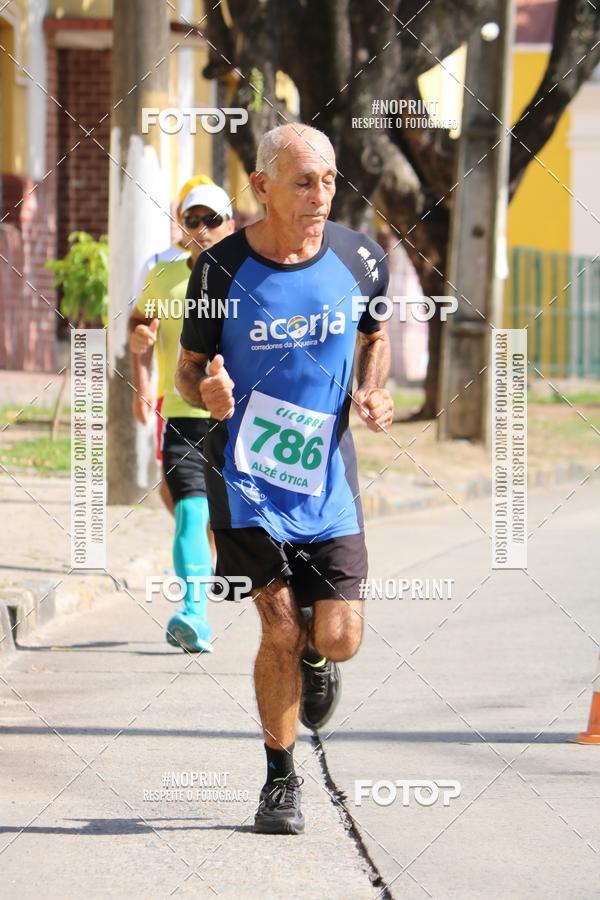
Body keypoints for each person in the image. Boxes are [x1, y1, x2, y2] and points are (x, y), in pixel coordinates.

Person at [176, 123, 393, 834]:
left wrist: (373, 389)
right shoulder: (219, 271)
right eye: (305, 181)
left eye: (329, 180)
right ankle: (280, 780)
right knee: (276, 628)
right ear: (263, 186)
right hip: (246, 480)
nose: (321, 194)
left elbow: (375, 337)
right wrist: (204, 395)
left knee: (336, 637)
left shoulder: (360, 257)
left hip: (327, 482)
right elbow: (188, 369)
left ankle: (319, 659)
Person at [129, 179, 235, 652]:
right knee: (190, 511)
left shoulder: (250, 275)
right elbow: (139, 323)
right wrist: (141, 367)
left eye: (212, 219)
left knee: (240, 523)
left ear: (229, 223)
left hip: (240, 419)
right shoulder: (164, 273)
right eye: (193, 220)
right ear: (182, 223)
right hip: (183, 413)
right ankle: (195, 615)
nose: (202, 228)